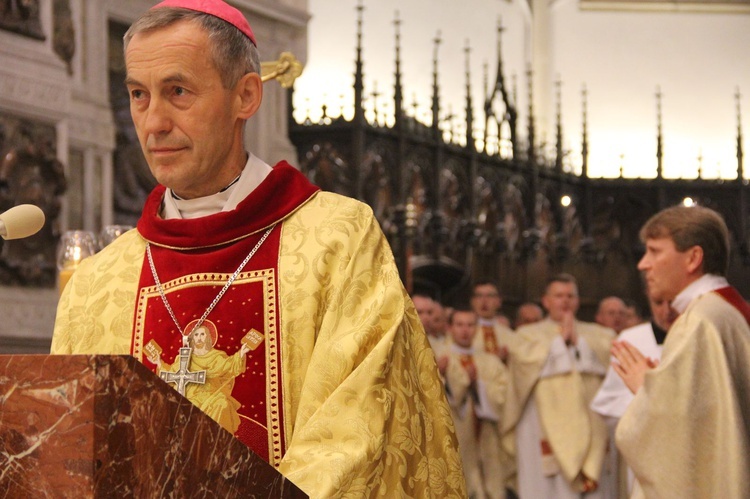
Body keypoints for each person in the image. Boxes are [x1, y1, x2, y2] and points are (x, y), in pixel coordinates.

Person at [49, 1, 466, 497]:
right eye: (139, 95)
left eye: (177, 92)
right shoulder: (99, 283)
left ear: (245, 95)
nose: (153, 122)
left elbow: (358, 429)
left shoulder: (337, 240)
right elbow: (69, 455)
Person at [613, 205, 750, 498]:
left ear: (693, 258)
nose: (643, 264)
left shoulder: (699, 321)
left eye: (654, 251)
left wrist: (646, 389)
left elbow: (687, 443)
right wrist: (662, 385)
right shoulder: (726, 310)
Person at [503, 273, 615, 498]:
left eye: (570, 296)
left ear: (577, 301)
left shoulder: (599, 334)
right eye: (558, 296)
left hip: (592, 424)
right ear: (545, 301)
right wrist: (559, 344)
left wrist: (578, 343)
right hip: (540, 424)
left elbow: (610, 359)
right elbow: (523, 370)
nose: (565, 301)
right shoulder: (526, 335)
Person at [590, 294, 676, 497]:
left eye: (672, 302)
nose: (666, 311)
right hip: (642, 445)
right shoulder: (632, 339)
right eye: (658, 303)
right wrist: (643, 396)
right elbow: (608, 400)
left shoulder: (696, 335)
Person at [440, 308, 508, 499]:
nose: (465, 330)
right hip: (455, 435)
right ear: (450, 328)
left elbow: (502, 396)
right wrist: (443, 376)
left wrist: (478, 385)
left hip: (486, 434)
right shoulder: (441, 358)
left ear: (477, 329)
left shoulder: (490, 362)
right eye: (460, 325)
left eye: (470, 325)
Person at [470, 280, 514, 361]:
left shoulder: (509, 334)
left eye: (490, 296)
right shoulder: (463, 330)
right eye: (479, 296)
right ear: (472, 301)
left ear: (499, 301)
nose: (484, 301)